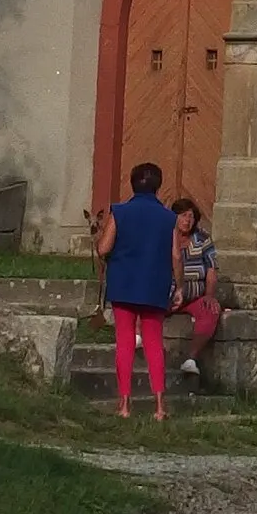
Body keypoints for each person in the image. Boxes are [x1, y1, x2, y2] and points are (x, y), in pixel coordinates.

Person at [94, 162, 176, 420]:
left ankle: (125, 404)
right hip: (155, 284)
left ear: (132, 183)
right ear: (158, 186)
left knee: (125, 342)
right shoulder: (168, 217)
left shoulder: (120, 212)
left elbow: (104, 248)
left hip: (124, 283)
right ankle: (160, 406)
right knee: (153, 342)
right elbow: (175, 255)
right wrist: (181, 286)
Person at [170, 196, 221, 379]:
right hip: (169, 291)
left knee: (211, 310)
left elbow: (211, 269)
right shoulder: (164, 237)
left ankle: (191, 359)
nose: (187, 221)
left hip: (194, 294)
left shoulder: (202, 239)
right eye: (183, 216)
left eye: (191, 217)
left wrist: (209, 295)